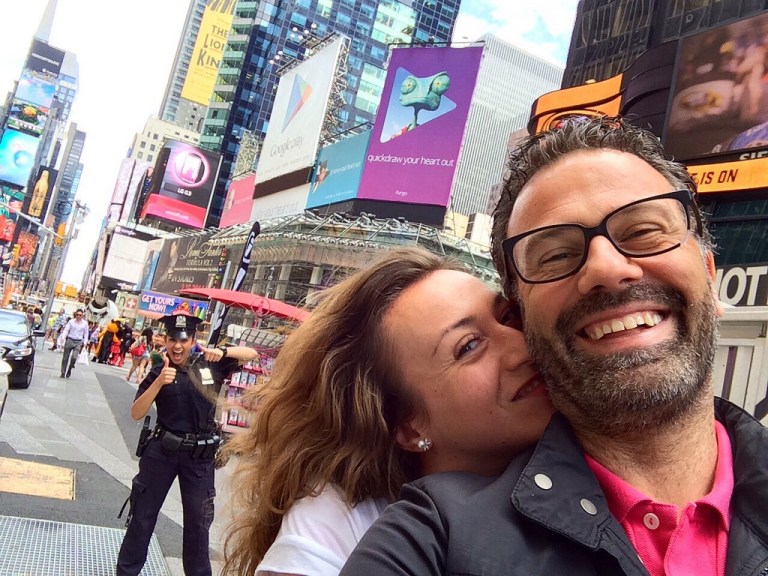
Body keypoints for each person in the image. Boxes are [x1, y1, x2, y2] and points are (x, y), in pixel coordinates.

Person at [341, 117, 768, 575]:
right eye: (556, 255)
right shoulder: (435, 538)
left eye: (643, 230)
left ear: (709, 273)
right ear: (524, 317)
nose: (606, 267)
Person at [221, 247, 554, 576]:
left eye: (508, 316)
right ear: (409, 426)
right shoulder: (340, 526)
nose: (522, 347)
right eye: (468, 346)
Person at [116, 309, 258, 576]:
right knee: (142, 517)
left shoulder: (210, 364)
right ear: (166, 340)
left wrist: (223, 352)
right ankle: (126, 572)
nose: (177, 346)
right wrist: (158, 383)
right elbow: (136, 412)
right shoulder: (159, 370)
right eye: (172, 340)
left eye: (183, 340)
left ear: (193, 340)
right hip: (162, 452)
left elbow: (252, 355)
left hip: (199, 458)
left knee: (198, 526)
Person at [59, 309, 89, 378]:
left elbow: (86, 333)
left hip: (78, 342)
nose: (78, 316)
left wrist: (85, 342)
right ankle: (63, 372)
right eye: (77, 314)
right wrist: (63, 337)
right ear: (75, 315)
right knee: (65, 358)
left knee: (74, 357)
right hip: (70, 339)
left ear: (82, 316)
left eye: (80, 315)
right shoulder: (71, 321)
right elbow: (66, 330)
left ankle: (70, 368)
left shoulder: (85, 323)